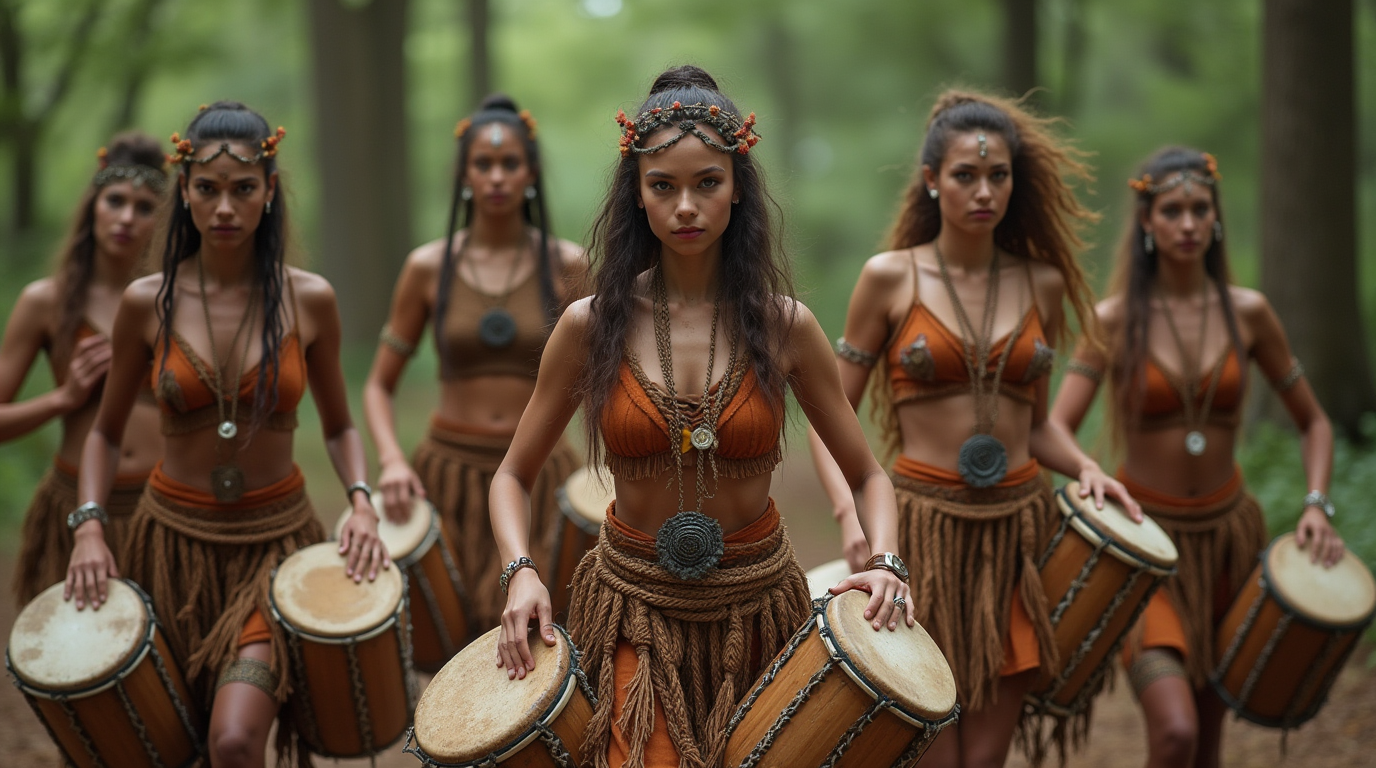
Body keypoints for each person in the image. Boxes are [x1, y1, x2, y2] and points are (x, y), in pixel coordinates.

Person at [489, 66, 913, 768]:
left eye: (707, 183)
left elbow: (868, 473)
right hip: (634, 607)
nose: (686, 205)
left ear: (737, 188)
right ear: (638, 195)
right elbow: (511, 475)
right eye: (664, 187)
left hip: (758, 611)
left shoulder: (786, 327)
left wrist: (888, 559)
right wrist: (521, 572)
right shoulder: (588, 325)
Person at [808, 90, 1139, 768]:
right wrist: (851, 516)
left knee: (984, 759)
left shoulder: (1041, 284)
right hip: (919, 530)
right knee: (928, 744)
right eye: (965, 175)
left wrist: (1087, 468)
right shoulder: (889, 278)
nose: (984, 190)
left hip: (1017, 534)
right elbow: (826, 417)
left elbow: (1038, 425)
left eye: (998, 175)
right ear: (932, 181)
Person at [64, 101, 389, 767]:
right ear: (183, 193)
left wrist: (361, 498)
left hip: (274, 545)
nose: (224, 208)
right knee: (177, 743)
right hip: (169, 547)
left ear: (269, 192)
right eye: (207, 190)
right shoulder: (145, 302)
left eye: (243, 190)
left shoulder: (310, 298)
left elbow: (340, 425)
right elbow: (104, 433)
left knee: (236, 739)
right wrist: (91, 524)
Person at [1049, 146, 1344, 768]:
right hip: (1147, 550)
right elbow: (1054, 426)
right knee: (1175, 731)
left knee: (1207, 744)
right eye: (1172, 210)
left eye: (1199, 209)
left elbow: (1314, 423)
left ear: (1215, 219)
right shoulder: (1113, 320)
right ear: (1148, 223)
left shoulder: (1250, 313)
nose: (1188, 223)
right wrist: (1092, 474)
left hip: (1230, 545)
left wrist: (1316, 504)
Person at [363, 94, 585, 637]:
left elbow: (607, 381)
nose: (496, 177)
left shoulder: (567, 264)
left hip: (540, 473)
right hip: (448, 476)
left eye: (510, 163)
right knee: (447, 641)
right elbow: (377, 386)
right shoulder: (427, 267)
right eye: (483, 164)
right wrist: (392, 460)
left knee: (533, 643)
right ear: (463, 174)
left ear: (531, 172)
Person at [1, 134, 167, 604]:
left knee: (169, 670)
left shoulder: (176, 304)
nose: (126, 218)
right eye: (115, 201)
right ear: (93, 205)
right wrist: (64, 398)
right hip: (76, 509)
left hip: (165, 511)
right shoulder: (46, 303)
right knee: (82, 670)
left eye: (145, 206)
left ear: (163, 221)